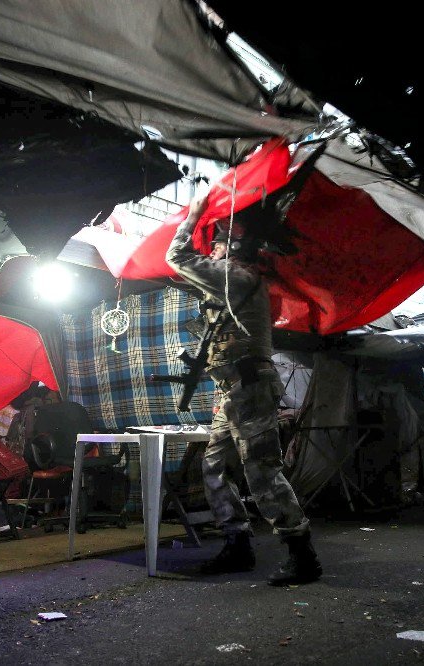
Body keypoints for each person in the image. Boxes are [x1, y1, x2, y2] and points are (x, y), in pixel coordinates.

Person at [165, 196, 322, 586]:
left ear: (231, 247)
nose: (211, 250)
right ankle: (238, 544)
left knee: (262, 471)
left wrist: (195, 213)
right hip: (234, 391)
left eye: (216, 244)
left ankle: (302, 554)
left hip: (248, 388)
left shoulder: (236, 277)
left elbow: (176, 256)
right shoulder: (235, 280)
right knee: (214, 465)